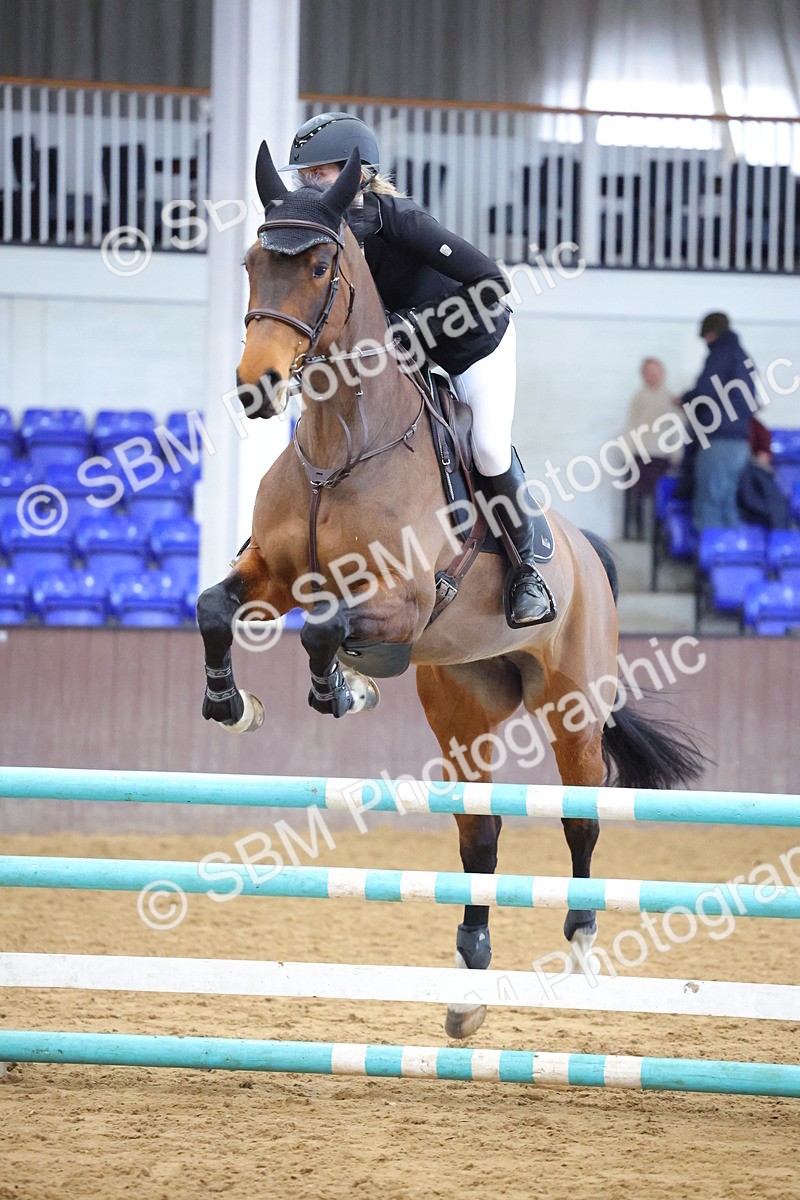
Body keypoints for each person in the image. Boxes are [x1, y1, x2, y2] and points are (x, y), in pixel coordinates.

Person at [280, 111, 554, 628]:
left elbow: (490, 281)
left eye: (318, 172)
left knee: (488, 447)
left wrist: (411, 324)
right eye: (304, 175)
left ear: (356, 173)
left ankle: (527, 572)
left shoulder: (399, 219)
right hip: (409, 355)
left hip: (474, 346)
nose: (307, 183)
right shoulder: (323, 236)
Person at [681, 312, 755, 530]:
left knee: (709, 506)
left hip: (719, 439)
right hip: (740, 442)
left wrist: (685, 398)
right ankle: (732, 561)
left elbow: (705, 391)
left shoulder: (721, 354)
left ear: (711, 333)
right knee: (727, 503)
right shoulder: (743, 357)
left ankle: (710, 562)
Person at [623, 357, 678, 539]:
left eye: (656, 372)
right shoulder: (639, 397)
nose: (653, 376)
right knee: (635, 497)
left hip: (661, 456)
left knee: (659, 499)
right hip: (640, 453)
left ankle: (658, 537)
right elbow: (631, 424)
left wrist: (675, 454)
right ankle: (636, 534)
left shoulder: (670, 398)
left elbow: (674, 429)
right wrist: (629, 451)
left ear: (662, 374)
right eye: (649, 372)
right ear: (643, 375)